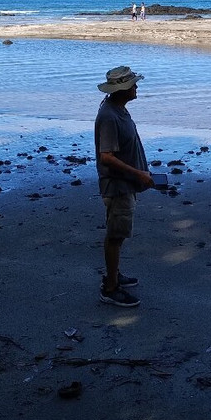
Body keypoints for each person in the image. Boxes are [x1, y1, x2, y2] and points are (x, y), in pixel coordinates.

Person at [94, 66, 154, 307]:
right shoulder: (109, 115)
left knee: (118, 234)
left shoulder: (118, 109)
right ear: (123, 89)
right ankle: (110, 288)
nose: (137, 87)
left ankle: (114, 274)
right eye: (133, 84)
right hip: (117, 185)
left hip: (125, 184)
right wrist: (138, 173)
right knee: (116, 235)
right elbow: (106, 156)